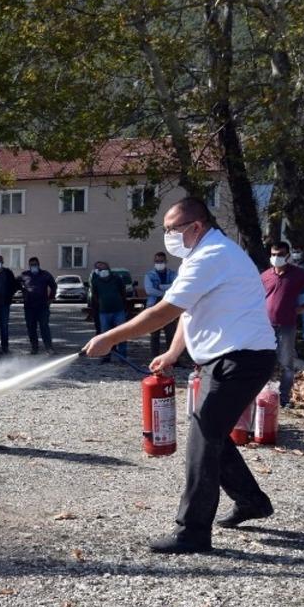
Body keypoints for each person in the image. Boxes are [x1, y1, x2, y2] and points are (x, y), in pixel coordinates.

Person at [84, 197, 278, 554]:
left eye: (172, 229)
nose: (168, 237)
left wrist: (110, 337)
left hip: (242, 358)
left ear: (196, 227)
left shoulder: (212, 256)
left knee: (204, 436)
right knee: (210, 432)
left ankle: (193, 531)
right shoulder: (202, 257)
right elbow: (188, 313)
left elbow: (164, 311)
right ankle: (251, 501)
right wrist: (173, 353)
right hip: (230, 358)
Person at [260, 241, 304, 408]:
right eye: (273, 254)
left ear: (287, 256)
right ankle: (264, 396)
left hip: (287, 325)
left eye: (280, 254)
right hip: (266, 326)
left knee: (287, 362)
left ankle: (284, 397)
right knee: (265, 362)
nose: (276, 257)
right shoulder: (265, 276)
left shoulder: (299, 274)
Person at [89, 261, 127, 363]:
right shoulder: (95, 281)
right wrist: (101, 305)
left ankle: (123, 357)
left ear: (108, 268)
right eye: (98, 269)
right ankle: (105, 356)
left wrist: (123, 304)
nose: (101, 270)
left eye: (103, 268)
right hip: (104, 312)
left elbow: (123, 292)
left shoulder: (117, 279)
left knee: (122, 333)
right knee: (105, 336)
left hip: (118, 310)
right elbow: (95, 295)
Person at [18, 256, 56, 355]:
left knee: (44, 327)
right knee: (31, 327)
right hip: (29, 306)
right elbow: (15, 284)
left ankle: (49, 347)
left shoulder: (45, 274)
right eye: (31, 265)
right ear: (29, 265)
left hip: (43, 306)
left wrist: (51, 298)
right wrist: (22, 291)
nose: (33, 266)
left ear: (38, 264)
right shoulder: (24, 275)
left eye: (35, 264)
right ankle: (34, 347)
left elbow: (53, 286)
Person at [143, 252, 178, 357]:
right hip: (154, 305)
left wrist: (159, 287)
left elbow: (176, 287)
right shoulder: (149, 275)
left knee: (171, 334)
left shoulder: (173, 274)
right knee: (154, 334)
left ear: (166, 261)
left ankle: (172, 359)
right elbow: (149, 290)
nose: (159, 263)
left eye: (161, 261)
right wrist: (166, 291)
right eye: (157, 261)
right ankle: (155, 358)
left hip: (169, 306)